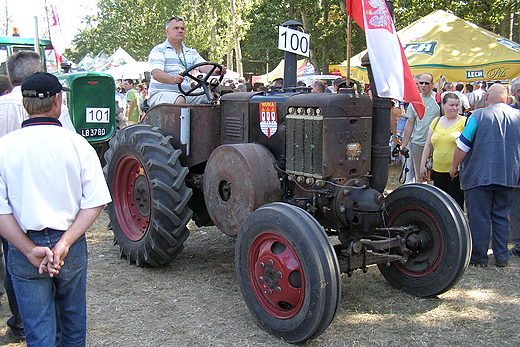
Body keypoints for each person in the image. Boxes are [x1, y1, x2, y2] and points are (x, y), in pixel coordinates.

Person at [0, 72, 112, 345]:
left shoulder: (5, 147)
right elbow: (95, 200)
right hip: (69, 243)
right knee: (73, 327)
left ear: (26, 105)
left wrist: (28, 249)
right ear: (58, 102)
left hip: (24, 244)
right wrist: (64, 243)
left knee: (39, 333)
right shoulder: (77, 144)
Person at [449, 84, 520, 267]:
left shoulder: (478, 116)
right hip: (507, 176)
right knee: (501, 216)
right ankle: (501, 257)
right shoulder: (518, 117)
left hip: (479, 176)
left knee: (479, 218)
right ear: (507, 98)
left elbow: (463, 145)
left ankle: (479, 258)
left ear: (487, 97)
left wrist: (453, 166)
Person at [148, 17, 226, 107]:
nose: (180, 31)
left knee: (211, 96)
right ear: (167, 31)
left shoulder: (191, 52)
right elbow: (156, 73)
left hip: (185, 93)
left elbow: (203, 66)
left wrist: (216, 70)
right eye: (176, 28)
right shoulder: (159, 50)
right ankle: (180, 121)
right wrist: (173, 79)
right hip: (160, 93)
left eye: (182, 28)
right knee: (179, 100)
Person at [420, 93, 465, 208]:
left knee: (455, 204)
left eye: (457, 105)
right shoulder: (436, 121)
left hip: (455, 171)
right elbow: (428, 145)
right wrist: (423, 164)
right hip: (437, 170)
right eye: (451, 105)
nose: (455, 108)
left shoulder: (464, 121)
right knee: (440, 205)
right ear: (443, 106)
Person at [401, 72, 441, 183]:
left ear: (432, 85)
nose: (423, 85)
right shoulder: (415, 101)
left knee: (435, 176)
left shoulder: (439, 100)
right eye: (421, 83)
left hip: (436, 143)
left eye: (426, 83)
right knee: (420, 176)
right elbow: (409, 124)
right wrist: (404, 144)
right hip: (418, 143)